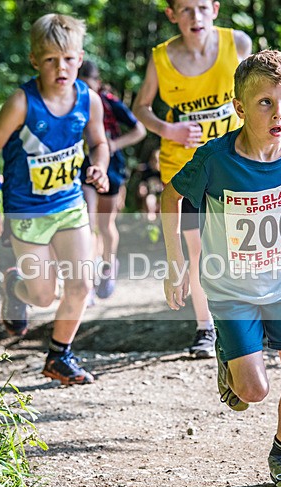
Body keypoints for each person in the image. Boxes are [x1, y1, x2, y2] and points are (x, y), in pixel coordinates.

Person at [160, 50, 281, 487]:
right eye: (265, 102)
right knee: (254, 392)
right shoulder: (216, 158)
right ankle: (230, 356)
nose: (279, 113)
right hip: (230, 289)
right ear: (240, 108)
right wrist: (175, 263)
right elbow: (171, 198)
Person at [0, 13, 110, 386]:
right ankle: (14, 287)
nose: (61, 68)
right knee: (42, 295)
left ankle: (59, 356)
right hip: (27, 211)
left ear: (79, 58)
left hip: (69, 206)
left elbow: (100, 143)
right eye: (50, 60)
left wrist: (98, 166)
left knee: (81, 284)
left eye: (68, 59)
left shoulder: (89, 100)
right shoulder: (22, 102)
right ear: (35, 60)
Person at [133, 0, 251, 357]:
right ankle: (205, 328)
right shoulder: (160, 57)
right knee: (197, 248)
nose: (194, 16)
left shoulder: (239, 45)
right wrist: (167, 128)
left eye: (201, 7)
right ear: (172, 15)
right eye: (184, 9)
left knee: (242, 246)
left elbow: (263, 91)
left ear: (214, 8)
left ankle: (247, 319)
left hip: (235, 165)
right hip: (185, 172)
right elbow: (140, 108)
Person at [77, 60, 146, 300]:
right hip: (82, 168)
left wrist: (114, 144)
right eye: (79, 84)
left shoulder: (109, 102)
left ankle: (108, 267)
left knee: (105, 225)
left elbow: (139, 130)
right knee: (87, 222)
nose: (83, 90)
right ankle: (89, 276)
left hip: (111, 167)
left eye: (88, 85)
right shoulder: (69, 103)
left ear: (97, 83)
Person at [134, 148, 163, 221]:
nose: (155, 163)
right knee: (149, 200)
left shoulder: (163, 173)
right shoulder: (147, 171)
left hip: (162, 195)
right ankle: (150, 221)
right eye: (153, 160)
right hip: (151, 194)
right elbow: (143, 183)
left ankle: (159, 223)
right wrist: (142, 187)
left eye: (157, 161)